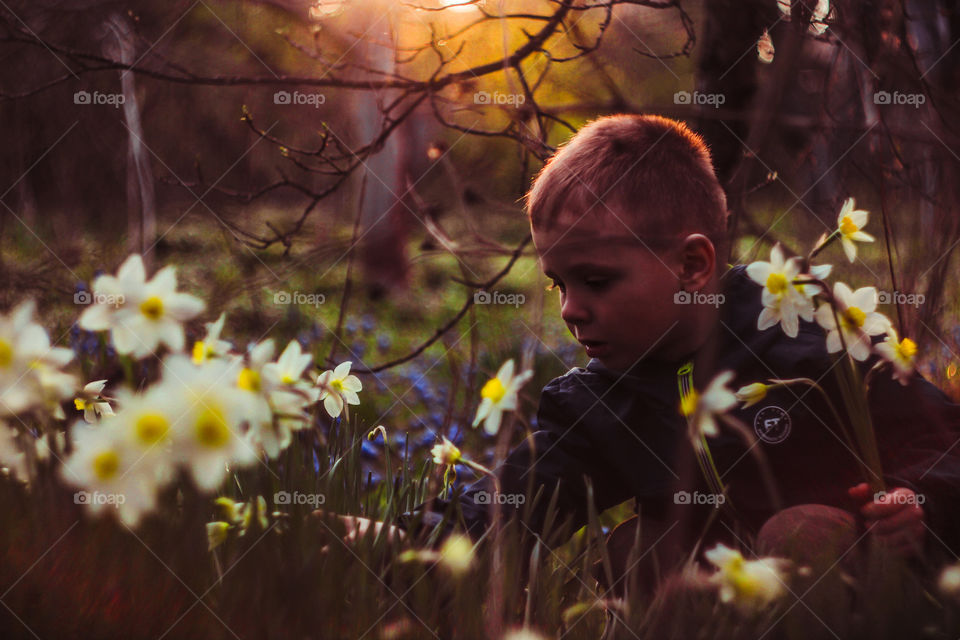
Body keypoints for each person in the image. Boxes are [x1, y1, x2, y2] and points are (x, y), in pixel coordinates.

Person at [342, 114, 960, 597]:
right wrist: (414, 541)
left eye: (596, 281)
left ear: (692, 265)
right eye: (560, 284)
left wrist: (915, 502)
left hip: (847, 585)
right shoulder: (603, 401)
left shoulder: (812, 338)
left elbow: (942, 439)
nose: (569, 310)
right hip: (708, 585)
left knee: (795, 532)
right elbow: (520, 499)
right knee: (635, 547)